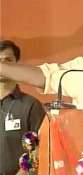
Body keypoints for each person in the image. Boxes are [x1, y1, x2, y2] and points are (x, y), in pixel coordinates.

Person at [0, 40, 46, 175]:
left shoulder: (30, 105)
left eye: (8, 60)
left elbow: (38, 149)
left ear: (16, 64)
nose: (2, 66)